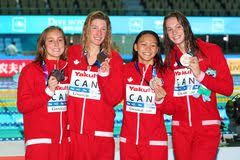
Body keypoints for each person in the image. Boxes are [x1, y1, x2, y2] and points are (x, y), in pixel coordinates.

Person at [163, 11, 233, 160]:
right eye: (169, 29)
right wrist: (159, 98)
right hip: (180, 130)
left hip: (207, 127)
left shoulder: (211, 50)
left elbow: (227, 89)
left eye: (178, 27)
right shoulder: (169, 61)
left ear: (186, 27)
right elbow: (169, 107)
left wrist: (200, 75)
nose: (174, 33)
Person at [99, 30, 175, 160]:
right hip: (128, 142)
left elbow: (171, 109)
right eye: (143, 44)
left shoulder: (166, 73)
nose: (148, 49)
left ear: (157, 49)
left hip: (155, 142)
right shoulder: (125, 70)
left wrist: (160, 100)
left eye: (152, 45)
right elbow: (113, 99)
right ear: (135, 47)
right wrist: (104, 75)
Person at [67, 11, 123, 160]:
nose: (99, 33)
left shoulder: (114, 59)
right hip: (73, 133)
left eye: (103, 28)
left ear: (108, 32)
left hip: (101, 135)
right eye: (94, 27)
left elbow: (115, 99)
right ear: (86, 29)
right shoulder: (71, 53)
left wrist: (104, 76)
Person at [17, 26, 69, 160]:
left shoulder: (68, 70)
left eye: (60, 40)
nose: (56, 44)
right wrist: (47, 92)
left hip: (64, 144)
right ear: (43, 45)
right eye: (51, 41)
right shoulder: (30, 71)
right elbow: (22, 105)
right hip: (40, 143)